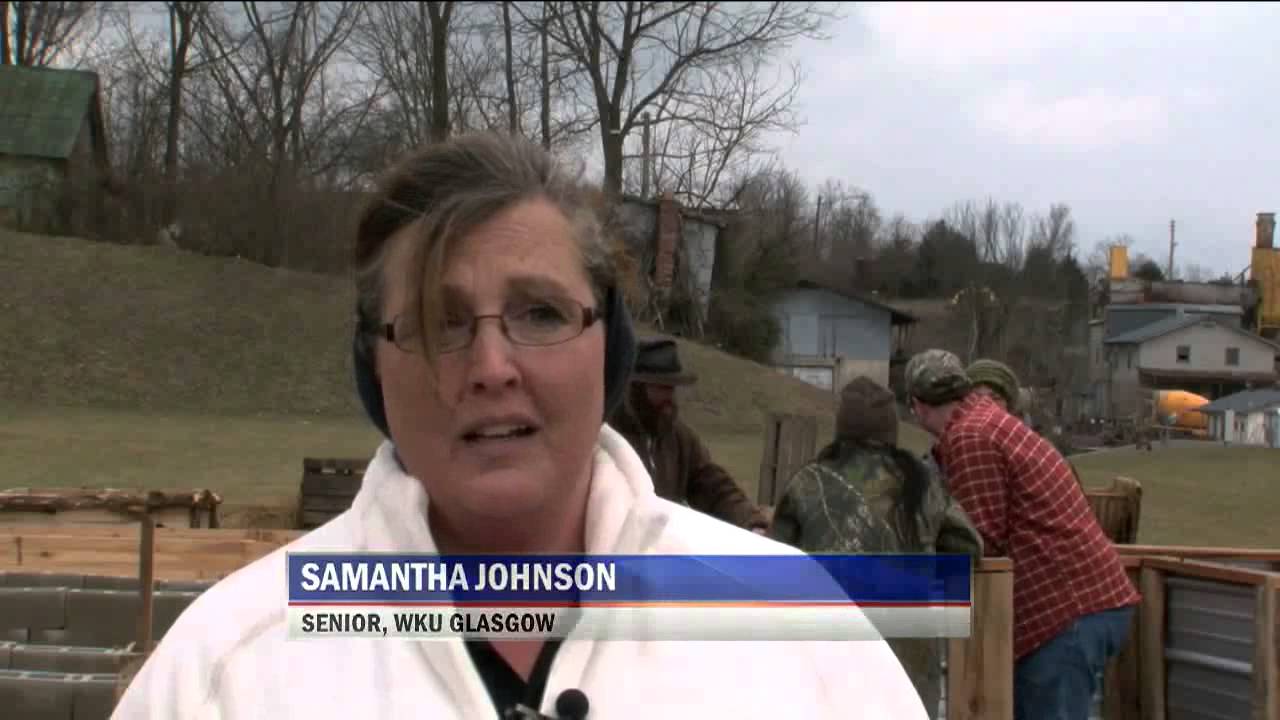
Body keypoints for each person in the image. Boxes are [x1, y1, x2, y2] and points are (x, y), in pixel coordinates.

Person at [112, 133, 927, 720]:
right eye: (439, 321)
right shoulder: (225, 674)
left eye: (540, 313)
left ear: (609, 347)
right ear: (374, 368)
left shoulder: (802, 644)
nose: (492, 366)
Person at [904, 349, 1141, 720]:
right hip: (1078, 606)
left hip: (1065, 612)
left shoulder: (970, 437)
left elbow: (978, 542)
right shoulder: (986, 421)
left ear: (917, 406)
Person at [770, 375, 984, 720]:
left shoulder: (809, 482)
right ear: (891, 430)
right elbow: (969, 547)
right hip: (908, 660)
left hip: (828, 655)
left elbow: (775, 562)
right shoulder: (922, 484)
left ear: (842, 427)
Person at [608, 337, 770, 533]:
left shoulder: (679, 437)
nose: (670, 398)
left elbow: (713, 486)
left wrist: (750, 522)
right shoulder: (606, 435)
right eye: (662, 387)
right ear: (637, 388)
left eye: (673, 388)